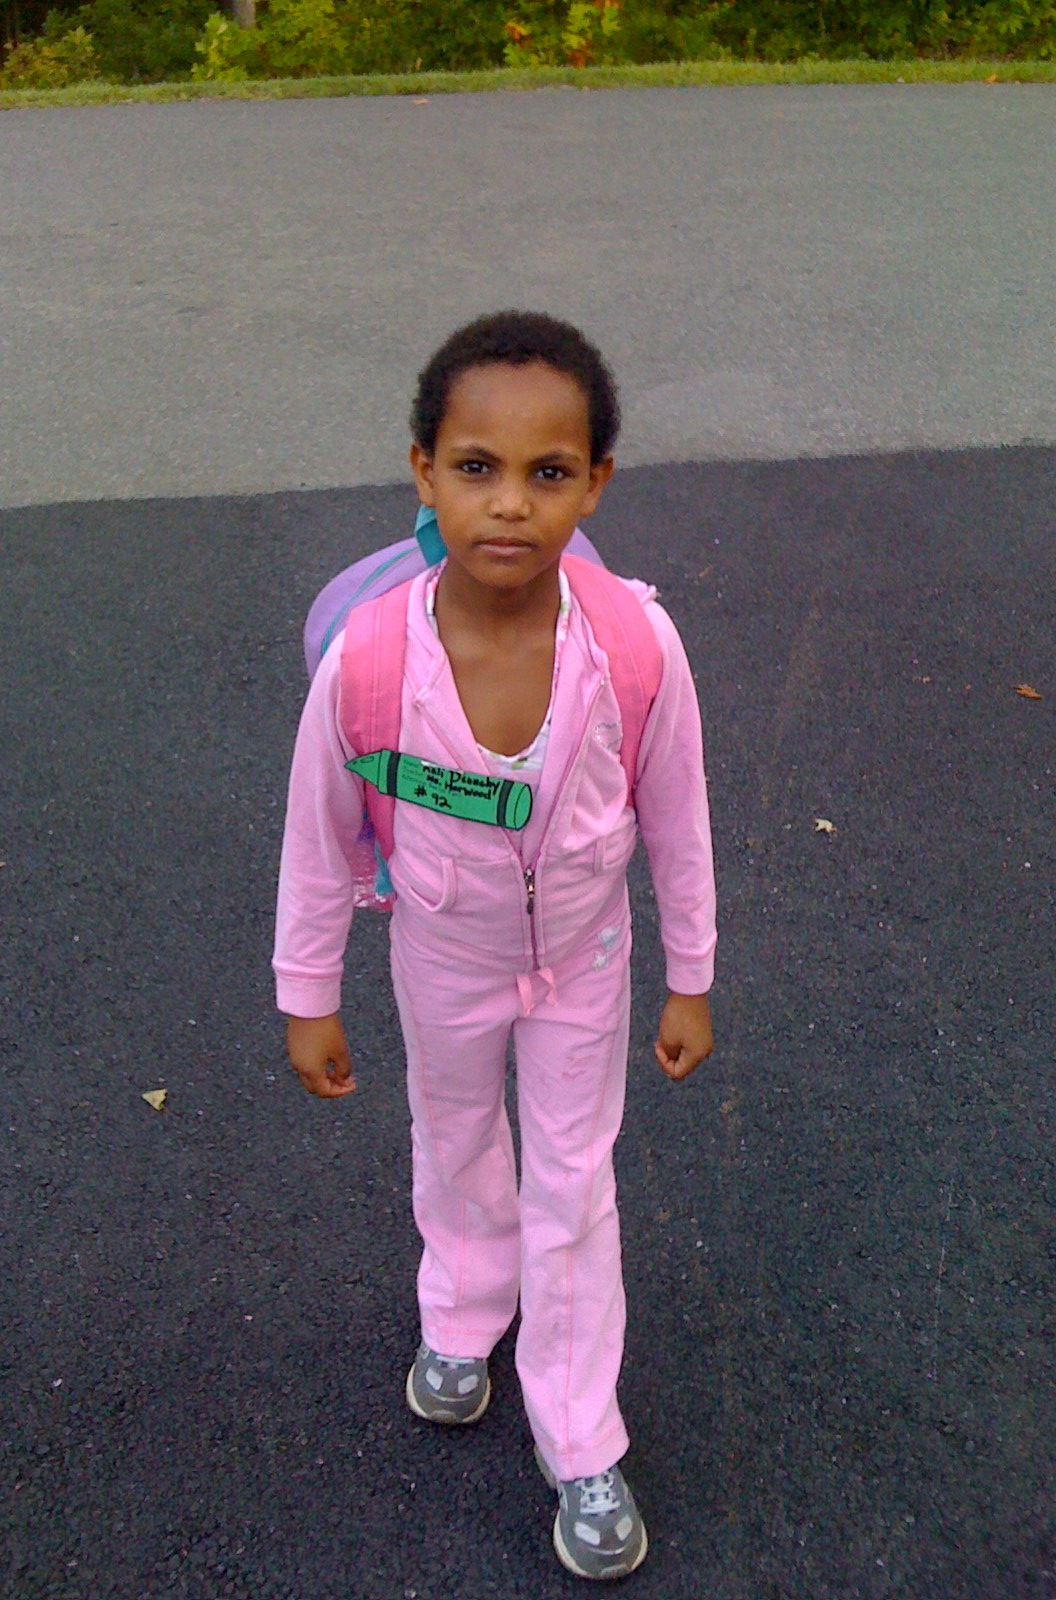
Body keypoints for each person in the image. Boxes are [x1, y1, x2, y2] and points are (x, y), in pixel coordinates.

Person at [273, 310, 716, 1581]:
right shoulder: (369, 662)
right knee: (456, 1136)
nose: (510, 503)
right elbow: (318, 834)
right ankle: (464, 1308)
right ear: (423, 470)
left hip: (585, 963)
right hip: (441, 959)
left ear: (596, 482)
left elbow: (679, 816)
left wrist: (690, 974)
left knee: (573, 1181)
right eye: (476, 466)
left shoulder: (633, 644)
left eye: (548, 471)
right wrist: (309, 991)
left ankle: (580, 1434)